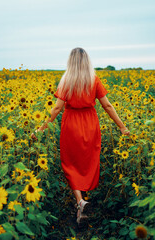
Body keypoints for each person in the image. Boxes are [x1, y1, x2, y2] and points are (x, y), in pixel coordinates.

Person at [31, 47, 130, 227]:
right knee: (87, 162)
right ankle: (81, 204)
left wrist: (41, 128)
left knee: (70, 163)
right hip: (90, 124)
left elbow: (56, 109)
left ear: (70, 62)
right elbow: (107, 105)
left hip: (71, 126)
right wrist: (122, 127)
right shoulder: (94, 80)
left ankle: (80, 202)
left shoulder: (66, 81)